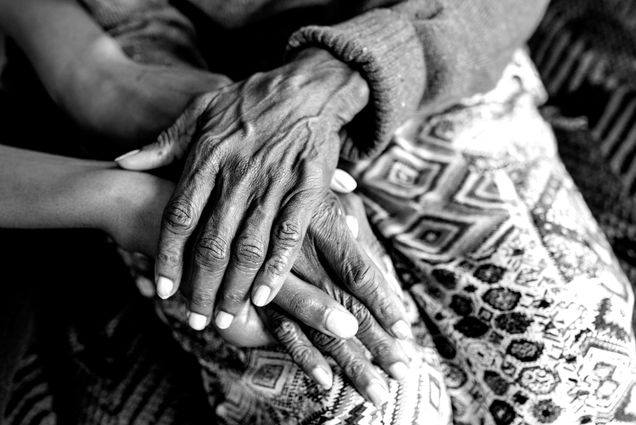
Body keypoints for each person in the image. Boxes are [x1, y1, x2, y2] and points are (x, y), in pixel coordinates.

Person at [0, 1, 635, 424]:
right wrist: (125, 166)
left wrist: (347, 71)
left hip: (410, 32)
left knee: (575, 384)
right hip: (150, 55)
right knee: (362, 406)